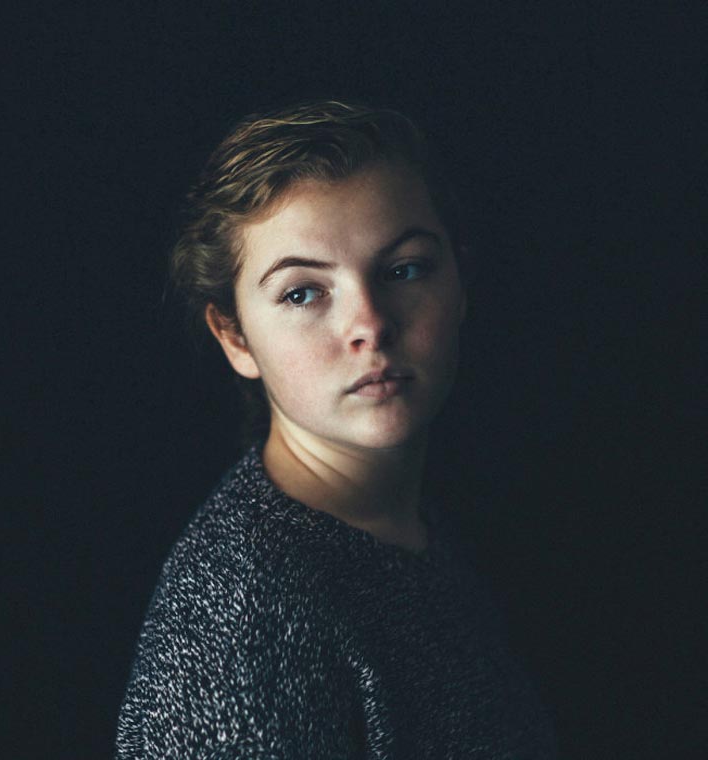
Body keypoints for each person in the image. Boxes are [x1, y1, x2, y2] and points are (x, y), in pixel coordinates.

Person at [116, 100, 557, 758]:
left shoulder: (418, 525)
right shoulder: (251, 615)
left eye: (404, 269)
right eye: (302, 292)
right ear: (234, 336)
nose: (370, 324)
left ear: (461, 282)